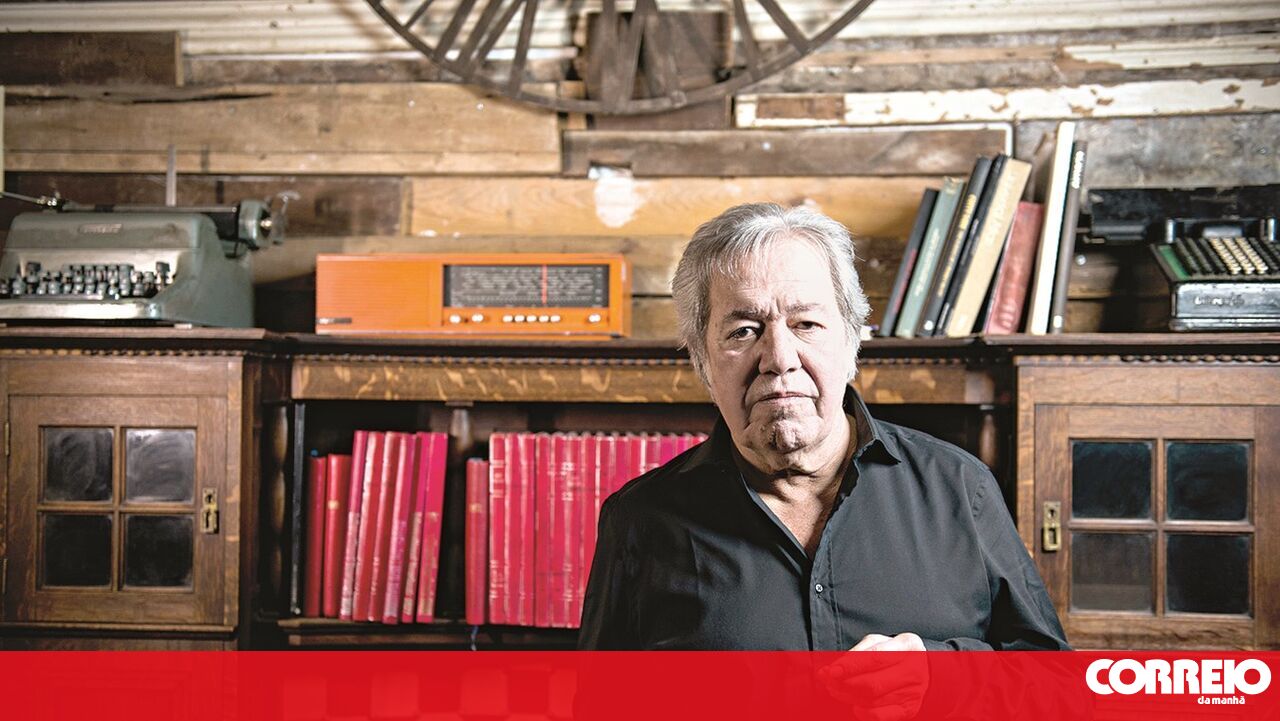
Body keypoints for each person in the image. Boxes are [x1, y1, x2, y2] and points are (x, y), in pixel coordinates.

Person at [578, 202, 1069, 651]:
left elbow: (1052, 681)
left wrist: (941, 673)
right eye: (744, 331)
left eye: (806, 324)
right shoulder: (640, 520)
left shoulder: (959, 487)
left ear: (851, 340)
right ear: (702, 359)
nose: (779, 358)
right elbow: (602, 703)